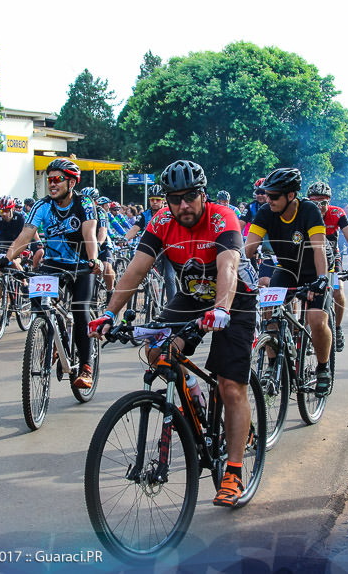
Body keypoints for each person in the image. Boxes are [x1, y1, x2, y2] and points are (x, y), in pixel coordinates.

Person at [89, 159, 258, 507]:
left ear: (203, 194)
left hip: (234, 299)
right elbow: (136, 270)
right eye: (175, 198)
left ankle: (234, 473)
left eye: (191, 196)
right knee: (157, 352)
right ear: (166, 200)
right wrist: (108, 313)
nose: (183, 205)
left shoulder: (222, 217)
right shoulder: (162, 222)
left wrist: (222, 309)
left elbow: (228, 266)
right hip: (193, 294)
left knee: (229, 384)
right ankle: (194, 393)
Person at [0, 158, 102, 389]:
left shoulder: (85, 203)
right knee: (40, 302)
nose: (52, 184)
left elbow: (89, 233)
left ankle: (85, 366)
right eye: (49, 179)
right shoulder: (41, 206)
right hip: (53, 263)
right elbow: (25, 236)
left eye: (57, 179)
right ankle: (52, 335)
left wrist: (94, 260)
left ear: (71, 182)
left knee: (80, 310)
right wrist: (6, 258)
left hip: (82, 264)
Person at [245, 168, 332, 395]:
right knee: (269, 311)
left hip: (314, 270)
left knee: (315, 319)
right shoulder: (266, 211)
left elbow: (319, 249)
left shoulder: (309, 210)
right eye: (267, 194)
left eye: (274, 196)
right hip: (287, 269)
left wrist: (322, 279)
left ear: (291, 195)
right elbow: (248, 248)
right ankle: (274, 366)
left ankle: (323, 368)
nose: (269, 199)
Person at [306, 182, 348, 352]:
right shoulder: (304, 212)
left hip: (333, 258)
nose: (319, 207)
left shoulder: (337, 213)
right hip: (309, 258)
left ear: (329, 202)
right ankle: (306, 331)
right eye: (315, 203)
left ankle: (337, 328)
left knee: (338, 291)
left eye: (323, 203)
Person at [126, 185, 176, 303]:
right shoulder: (145, 215)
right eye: (152, 199)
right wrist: (125, 239)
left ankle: (172, 306)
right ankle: (151, 302)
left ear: (163, 200)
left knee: (169, 277)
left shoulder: (171, 212)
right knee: (143, 273)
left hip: (169, 250)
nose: (154, 202)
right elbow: (135, 228)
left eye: (157, 199)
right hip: (153, 250)